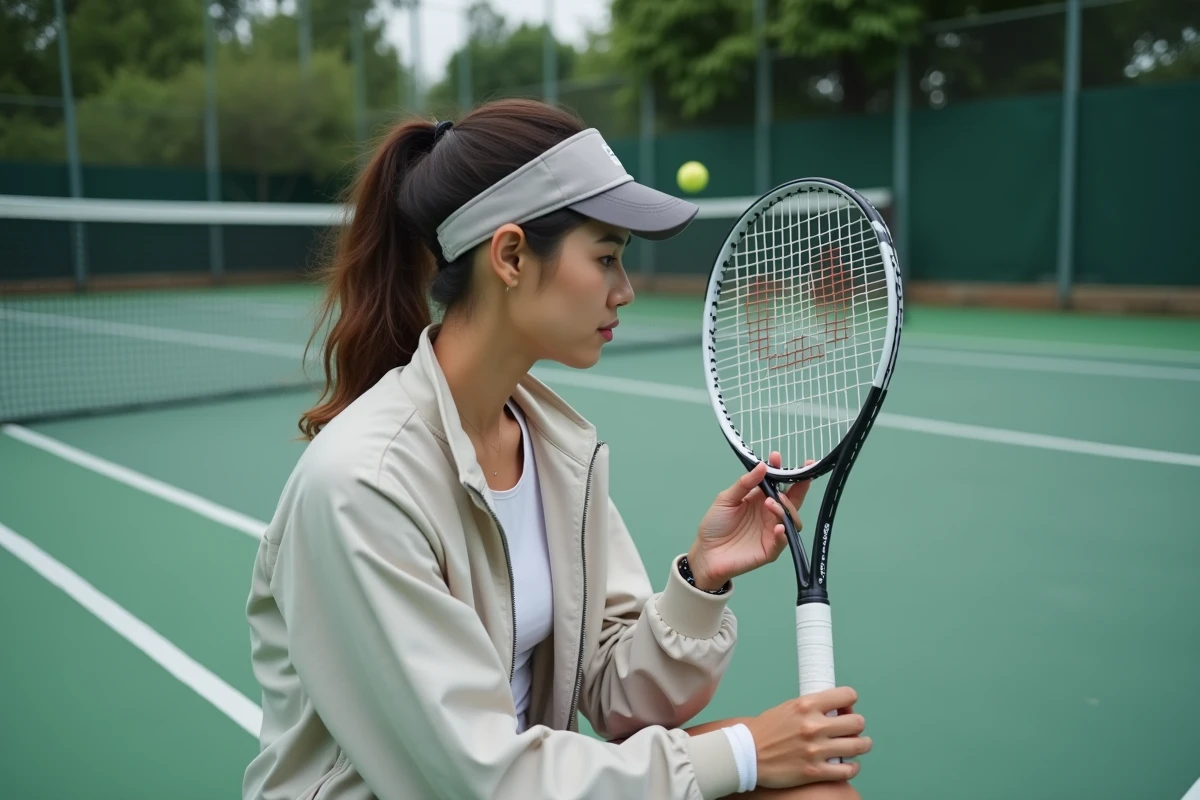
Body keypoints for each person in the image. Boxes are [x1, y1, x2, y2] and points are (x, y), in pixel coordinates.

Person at [242, 98, 871, 800]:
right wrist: (748, 752)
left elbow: (621, 698)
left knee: (819, 789)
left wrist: (701, 580)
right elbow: (479, 780)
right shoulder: (363, 484)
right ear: (510, 256)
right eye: (605, 257)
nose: (624, 291)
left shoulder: (554, 448)